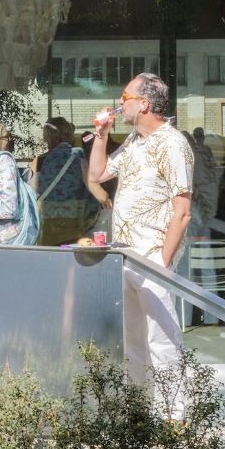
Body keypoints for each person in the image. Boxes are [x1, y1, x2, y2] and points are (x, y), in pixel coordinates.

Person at [88, 72, 194, 392]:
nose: (120, 104)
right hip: (126, 253)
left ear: (144, 104)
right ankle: (140, 416)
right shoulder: (135, 142)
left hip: (152, 256)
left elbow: (183, 212)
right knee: (133, 342)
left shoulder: (172, 143)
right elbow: (98, 173)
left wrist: (162, 261)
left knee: (162, 342)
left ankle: (173, 417)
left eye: (125, 98)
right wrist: (101, 135)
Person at [32, 118, 91, 246]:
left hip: (47, 222)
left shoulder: (39, 160)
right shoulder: (79, 155)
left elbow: (33, 191)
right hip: (74, 221)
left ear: (47, 136)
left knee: (49, 260)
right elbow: (90, 185)